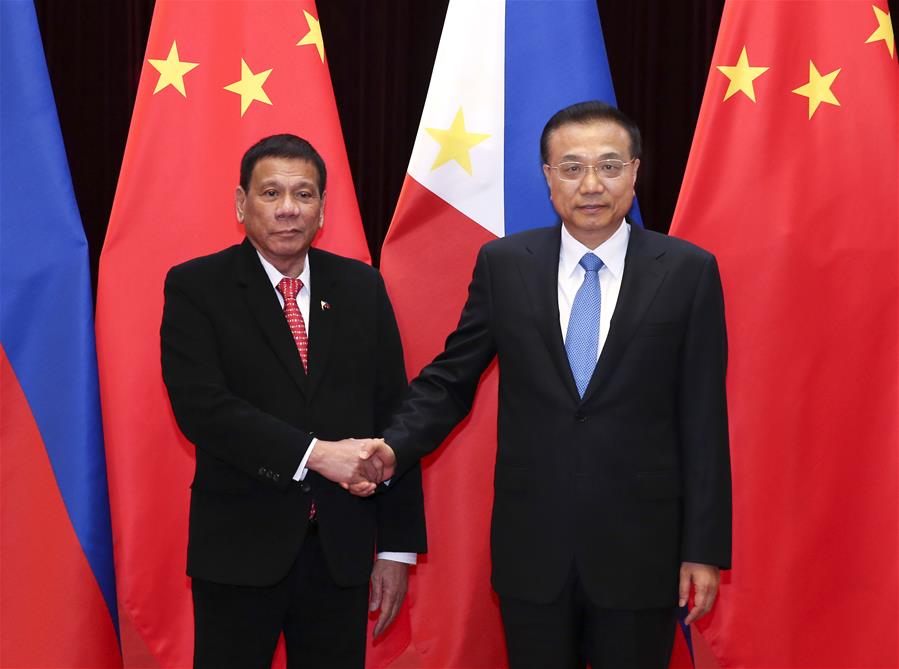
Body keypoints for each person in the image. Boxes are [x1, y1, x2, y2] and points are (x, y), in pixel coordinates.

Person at [355, 101, 732, 668]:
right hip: (533, 547)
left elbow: (703, 418)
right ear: (549, 179)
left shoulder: (688, 270)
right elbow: (451, 379)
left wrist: (701, 550)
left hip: (642, 549)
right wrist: (393, 446)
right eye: (573, 167)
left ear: (634, 172)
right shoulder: (506, 264)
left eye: (609, 166)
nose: (592, 185)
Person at [160, 134, 426, 669]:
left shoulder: (361, 287)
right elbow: (202, 407)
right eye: (271, 193)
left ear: (323, 209)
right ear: (241, 203)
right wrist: (314, 453)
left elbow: (395, 415)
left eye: (304, 195)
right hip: (238, 550)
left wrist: (396, 549)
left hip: (341, 554)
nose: (288, 209)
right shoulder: (196, 287)